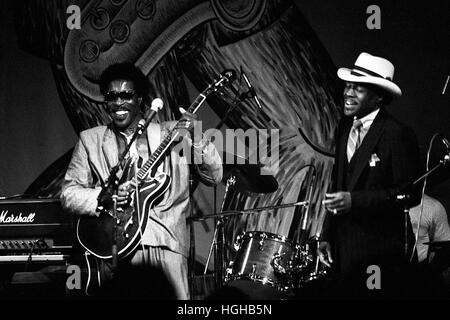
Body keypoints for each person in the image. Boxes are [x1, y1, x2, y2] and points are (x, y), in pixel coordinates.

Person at [60, 62, 222, 299]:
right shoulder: (90, 140)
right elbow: (68, 194)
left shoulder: (172, 134)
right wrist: (104, 197)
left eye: (126, 95)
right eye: (112, 96)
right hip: (116, 245)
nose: (118, 103)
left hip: (167, 243)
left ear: (140, 100)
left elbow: (214, 175)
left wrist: (197, 136)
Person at [318, 52, 422, 298]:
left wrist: (355, 201)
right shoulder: (344, 127)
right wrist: (327, 235)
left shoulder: (397, 134)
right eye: (347, 86)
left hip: (379, 252)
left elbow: (409, 193)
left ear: (378, 97)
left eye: (358, 89)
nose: (348, 93)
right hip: (344, 250)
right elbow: (338, 184)